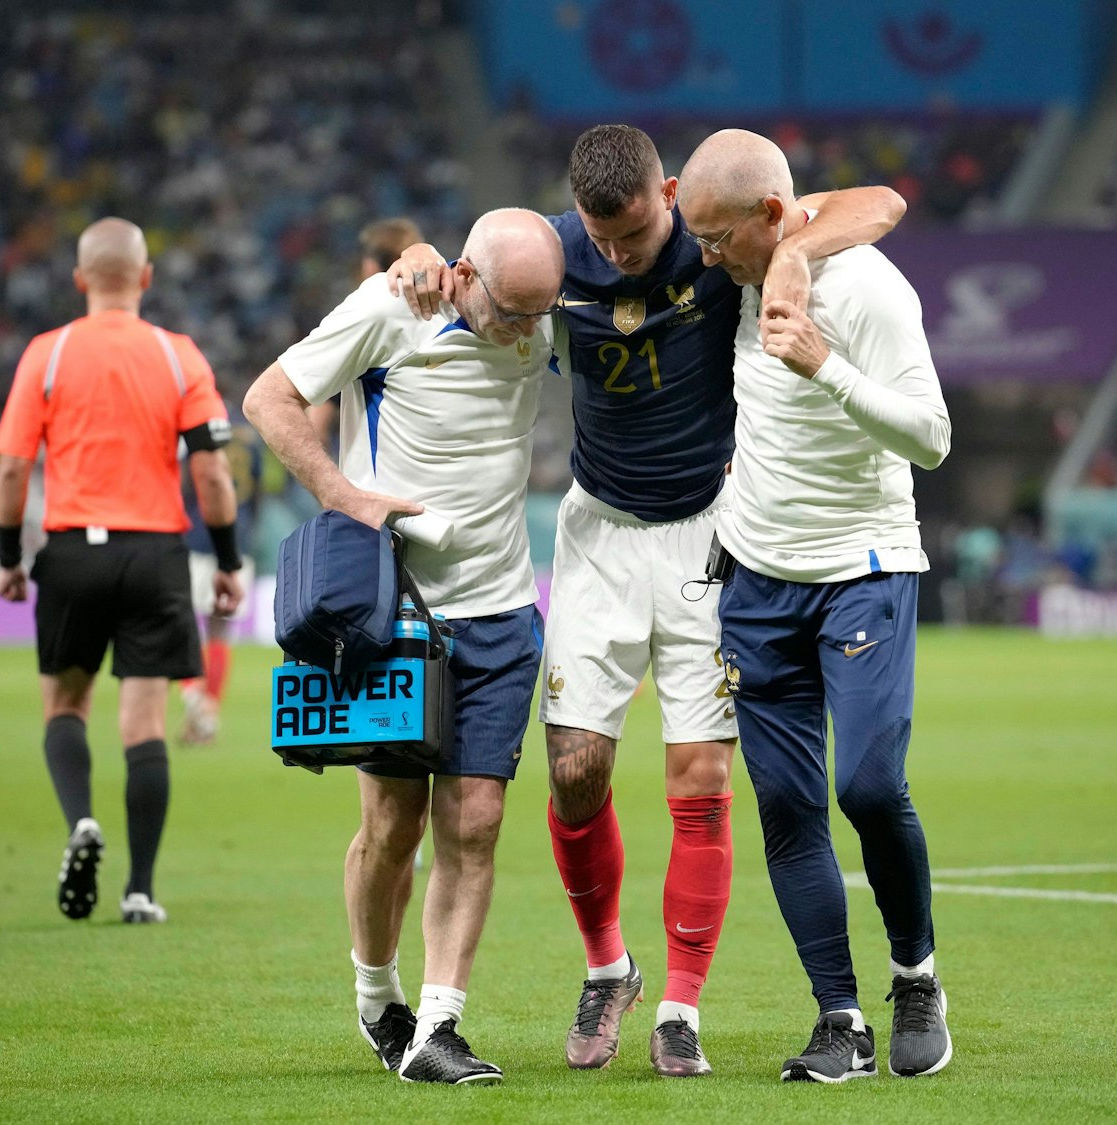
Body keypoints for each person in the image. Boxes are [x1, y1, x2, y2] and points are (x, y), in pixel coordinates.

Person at [388, 124, 906, 1077]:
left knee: (701, 777)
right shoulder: (553, 255)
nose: (619, 256)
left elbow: (880, 206)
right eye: (602, 237)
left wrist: (790, 250)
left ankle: (680, 1007)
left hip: (712, 528)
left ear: (670, 194)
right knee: (577, 770)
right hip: (597, 531)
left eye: (634, 234)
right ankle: (607, 969)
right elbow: (466, 271)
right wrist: (423, 256)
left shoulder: (717, 246)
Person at [243, 208, 564, 1086]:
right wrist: (343, 493)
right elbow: (266, 399)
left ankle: (438, 1026)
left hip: (501, 612)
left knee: (478, 819)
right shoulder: (390, 310)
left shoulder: (543, 311)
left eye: (542, 313)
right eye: (513, 311)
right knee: (392, 826)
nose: (528, 332)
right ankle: (376, 994)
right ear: (462, 274)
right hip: (398, 616)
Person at [680, 128, 952, 1083]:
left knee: (869, 787)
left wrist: (825, 368)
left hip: (864, 567)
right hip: (755, 580)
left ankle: (916, 975)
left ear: (768, 216)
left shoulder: (873, 291)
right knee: (789, 806)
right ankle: (839, 1015)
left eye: (718, 240)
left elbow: (932, 437)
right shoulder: (745, 268)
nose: (706, 261)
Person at [0, 217, 245, 925]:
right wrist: (225, 560)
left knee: (66, 706)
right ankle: (139, 888)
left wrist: (10, 559)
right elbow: (212, 473)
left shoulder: (44, 354)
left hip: (71, 549)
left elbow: (13, 468)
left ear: (79, 280)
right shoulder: (176, 355)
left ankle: (80, 822)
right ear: (145, 278)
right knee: (145, 723)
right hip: (154, 554)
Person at [176, 423, 265, 746]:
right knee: (220, 631)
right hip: (237, 541)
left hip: (198, 536)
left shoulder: (196, 432)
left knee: (180, 621)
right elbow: (258, 492)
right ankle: (210, 709)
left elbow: (186, 484)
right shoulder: (249, 439)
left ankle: (193, 698)